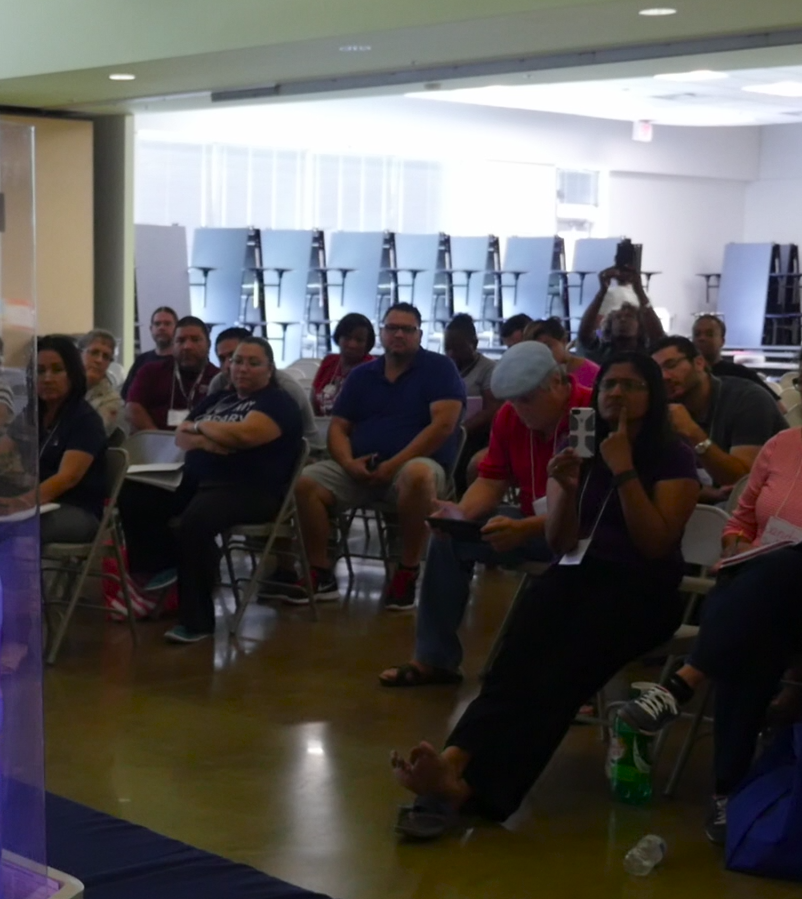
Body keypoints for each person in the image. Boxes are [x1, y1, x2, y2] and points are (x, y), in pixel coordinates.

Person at [615, 335, 802, 843]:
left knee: (785, 567)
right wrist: (736, 543)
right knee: (755, 635)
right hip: (768, 605)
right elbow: (741, 520)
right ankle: (726, 794)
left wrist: (786, 555)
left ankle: (684, 682)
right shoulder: (782, 447)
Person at [390, 353, 700, 841]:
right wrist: (566, 488)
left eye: (632, 385)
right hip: (579, 573)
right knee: (515, 661)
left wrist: (623, 471)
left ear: (653, 395)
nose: (617, 394)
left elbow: (655, 544)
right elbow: (560, 542)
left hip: (642, 591)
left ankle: (476, 791)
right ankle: (453, 760)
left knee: (557, 676)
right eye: (609, 385)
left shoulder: (673, 455)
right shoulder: (583, 444)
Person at [373, 342, 592, 686]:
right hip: (533, 525)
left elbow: (588, 507)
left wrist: (526, 529)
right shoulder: (510, 416)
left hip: (581, 534)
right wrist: (460, 514)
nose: (519, 409)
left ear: (556, 383)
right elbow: (491, 480)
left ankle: (569, 675)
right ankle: (434, 659)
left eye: (527, 399)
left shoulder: (585, 415)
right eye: (512, 401)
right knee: (448, 540)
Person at [118, 335, 304, 643]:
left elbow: (245, 435)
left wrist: (202, 428)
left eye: (253, 363)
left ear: (270, 369)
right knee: (135, 492)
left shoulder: (277, 402)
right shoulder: (219, 398)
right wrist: (211, 441)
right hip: (197, 481)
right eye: (237, 361)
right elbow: (181, 435)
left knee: (195, 522)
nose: (242, 368)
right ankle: (163, 564)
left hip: (250, 489)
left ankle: (197, 623)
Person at [296, 302, 465, 610]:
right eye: (392, 328)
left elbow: (443, 426)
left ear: (420, 334)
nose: (398, 334)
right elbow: (338, 428)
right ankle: (320, 571)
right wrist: (348, 463)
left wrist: (394, 464)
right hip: (362, 467)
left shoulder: (439, 369)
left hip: (414, 467)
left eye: (407, 329)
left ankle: (407, 571)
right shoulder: (362, 375)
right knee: (306, 482)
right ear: (382, 333)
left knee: (417, 475)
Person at [0, 335, 109, 544]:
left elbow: (67, 477)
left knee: (10, 529)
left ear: (73, 374)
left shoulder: (85, 419)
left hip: (77, 510)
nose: (47, 378)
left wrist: (22, 502)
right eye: (40, 371)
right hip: (37, 505)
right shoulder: (32, 415)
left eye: (57, 370)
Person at [650, 335, 787, 501]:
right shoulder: (664, 405)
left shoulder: (747, 399)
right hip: (708, 504)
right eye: (657, 371)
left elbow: (741, 482)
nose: (664, 376)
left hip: (770, 502)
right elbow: (658, 480)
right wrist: (708, 493)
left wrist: (693, 432)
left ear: (699, 363)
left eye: (671, 365)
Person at [126, 316, 220, 432]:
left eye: (195, 340)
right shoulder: (151, 371)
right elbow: (132, 407)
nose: (187, 346)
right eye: (180, 340)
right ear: (172, 345)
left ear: (208, 344)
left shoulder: (218, 378)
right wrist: (159, 439)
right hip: (155, 440)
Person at [578, 265, 663, 359]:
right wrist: (602, 292)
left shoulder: (647, 349)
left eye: (629, 316)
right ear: (610, 326)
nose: (623, 320)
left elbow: (659, 337)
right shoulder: (603, 347)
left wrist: (639, 291)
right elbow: (585, 334)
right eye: (617, 317)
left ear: (640, 327)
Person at [445, 315, 498, 467]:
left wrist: (460, 430)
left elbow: (492, 410)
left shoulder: (489, 368)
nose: (451, 354)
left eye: (458, 348)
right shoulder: (444, 366)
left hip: (475, 435)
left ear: (474, 344)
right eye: (447, 348)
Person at [689, 312, 775, 393]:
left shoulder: (741, 374)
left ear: (722, 341)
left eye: (709, 334)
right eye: (697, 334)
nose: (702, 338)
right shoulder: (687, 374)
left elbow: (775, 403)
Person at [310, 312, 375, 416]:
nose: (352, 345)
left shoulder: (373, 368)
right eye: (347, 338)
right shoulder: (329, 361)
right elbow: (313, 399)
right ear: (338, 338)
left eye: (359, 340)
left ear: (368, 343)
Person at [526, 315, 600, 389]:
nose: (542, 353)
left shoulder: (593, 372)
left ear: (563, 341)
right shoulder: (533, 378)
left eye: (548, 346)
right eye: (535, 349)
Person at [124, 305, 179, 398]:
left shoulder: (183, 361)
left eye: (167, 324)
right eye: (157, 324)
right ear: (151, 329)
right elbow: (126, 395)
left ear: (177, 328)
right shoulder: (141, 360)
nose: (161, 328)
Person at [78, 329, 126, 434]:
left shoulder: (112, 401)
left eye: (106, 357)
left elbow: (91, 435)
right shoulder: (61, 387)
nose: (99, 360)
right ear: (79, 354)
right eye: (94, 353)